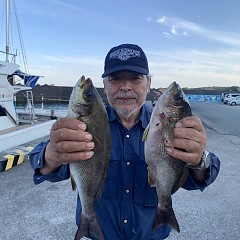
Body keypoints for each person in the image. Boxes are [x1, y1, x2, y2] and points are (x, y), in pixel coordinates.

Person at [29, 43, 220, 240]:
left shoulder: (170, 125)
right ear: (104, 86)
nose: (126, 87)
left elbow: (200, 176)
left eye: (136, 78)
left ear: (148, 84)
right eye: (115, 79)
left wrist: (199, 159)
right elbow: (39, 163)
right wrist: (52, 154)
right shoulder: (86, 125)